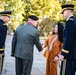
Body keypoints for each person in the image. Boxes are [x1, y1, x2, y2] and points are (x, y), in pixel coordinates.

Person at [58, 4, 76, 75]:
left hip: (69, 55)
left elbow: (68, 39)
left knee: (65, 73)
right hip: (74, 55)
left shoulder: (70, 22)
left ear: (67, 12)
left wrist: (63, 53)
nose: (63, 15)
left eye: (63, 12)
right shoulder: (74, 21)